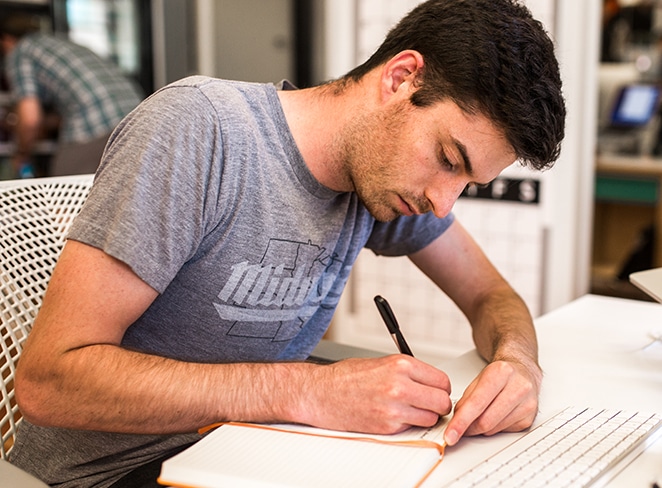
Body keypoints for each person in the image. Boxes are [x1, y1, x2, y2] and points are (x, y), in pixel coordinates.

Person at [9, 0, 565, 486]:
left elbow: (490, 294)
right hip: (111, 474)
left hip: (251, 453)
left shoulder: (386, 185)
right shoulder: (200, 129)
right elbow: (47, 382)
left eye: (466, 184)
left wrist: (520, 364)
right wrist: (307, 390)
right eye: (448, 159)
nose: (443, 203)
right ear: (401, 78)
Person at [0, 12, 143, 177]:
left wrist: (21, 155)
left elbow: (30, 120)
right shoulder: (59, 43)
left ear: (6, 39)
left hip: (96, 125)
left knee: (63, 191)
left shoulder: (20, 52)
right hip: (135, 116)